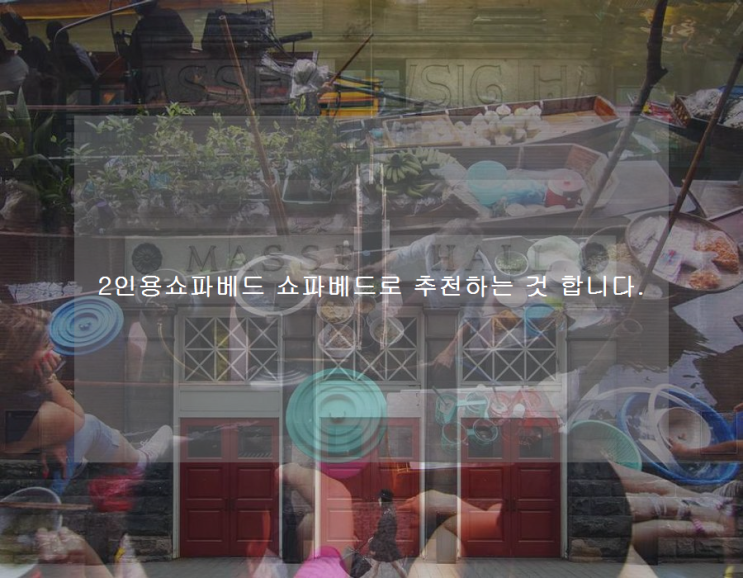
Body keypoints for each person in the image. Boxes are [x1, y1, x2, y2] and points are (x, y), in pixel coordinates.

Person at [0, 305, 173, 493]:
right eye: (44, 346)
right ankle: (141, 462)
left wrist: (50, 438)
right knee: (91, 425)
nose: (53, 348)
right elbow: (77, 418)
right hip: (24, 491)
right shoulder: (30, 413)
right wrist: (48, 378)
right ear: (17, 364)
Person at [364, 219, 495, 368]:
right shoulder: (433, 243)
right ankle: (406, 351)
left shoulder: (483, 275)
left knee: (441, 361)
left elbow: (470, 316)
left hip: (455, 312)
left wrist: (449, 352)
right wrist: (378, 265)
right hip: (429, 292)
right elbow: (403, 254)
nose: (443, 262)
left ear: (469, 252)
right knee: (398, 323)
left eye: (449, 257)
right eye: (442, 255)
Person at [125, 0, 193, 103]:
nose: (134, 9)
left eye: (135, 6)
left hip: (157, 82)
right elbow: (188, 40)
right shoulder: (171, 15)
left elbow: (134, 59)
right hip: (177, 78)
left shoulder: (142, 25)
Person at [0, 12, 57, 103]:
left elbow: (32, 77)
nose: (4, 33)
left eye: (5, 30)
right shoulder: (34, 42)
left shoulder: (26, 53)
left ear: (12, 30)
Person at [45, 21, 97, 98]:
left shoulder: (49, 56)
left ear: (48, 37)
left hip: (72, 93)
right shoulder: (76, 49)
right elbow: (93, 74)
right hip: (86, 90)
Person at [368, 489, 406, 578]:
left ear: (384, 501)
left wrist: (375, 544)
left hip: (385, 546)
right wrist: (374, 538)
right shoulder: (388, 512)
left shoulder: (388, 515)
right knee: (376, 567)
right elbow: (383, 531)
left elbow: (386, 533)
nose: (378, 501)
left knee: (395, 566)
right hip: (385, 545)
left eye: (379, 499)